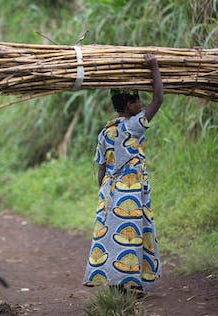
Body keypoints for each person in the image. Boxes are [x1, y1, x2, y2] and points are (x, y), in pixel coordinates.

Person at [82, 54, 163, 296]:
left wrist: (103, 194)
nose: (141, 103)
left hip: (109, 191)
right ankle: (130, 284)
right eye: (137, 100)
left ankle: (118, 283)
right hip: (131, 190)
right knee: (132, 235)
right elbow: (159, 98)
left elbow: (101, 168)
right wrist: (154, 67)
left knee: (113, 238)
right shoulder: (135, 124)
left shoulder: (105, 130)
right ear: (129, 106)